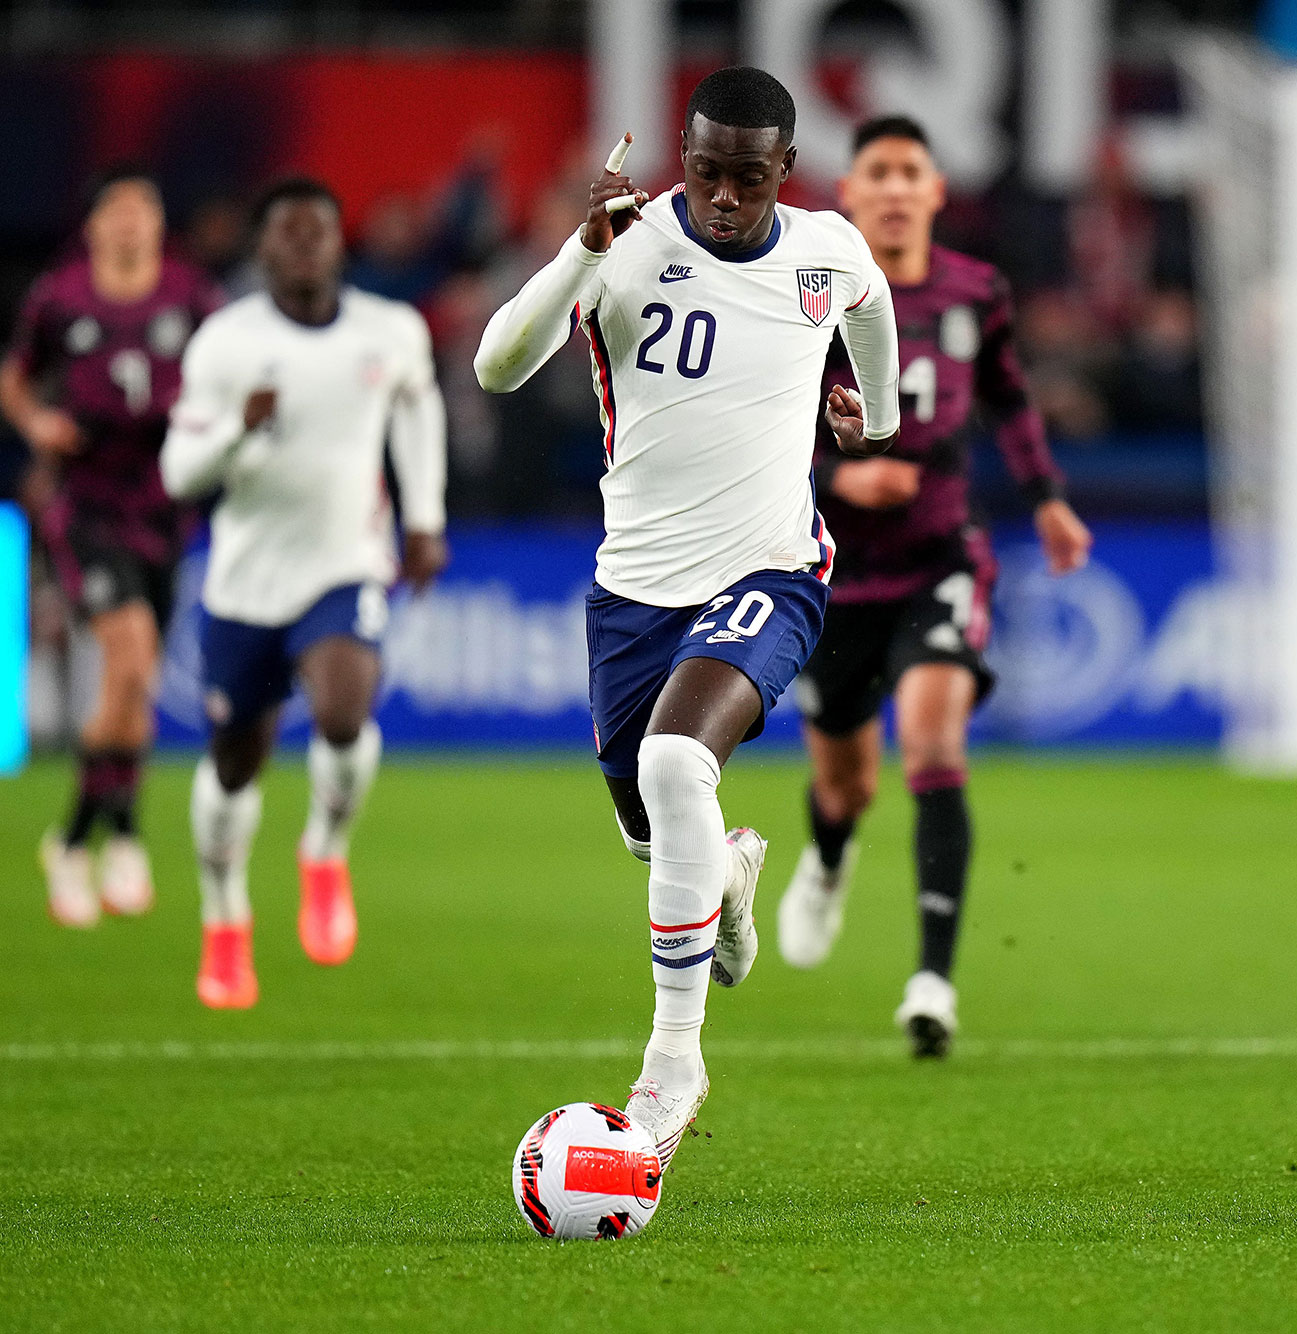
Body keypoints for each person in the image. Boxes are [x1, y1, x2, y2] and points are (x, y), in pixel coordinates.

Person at [474, 68, 901, 1163]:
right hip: (633, 591)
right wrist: (580, 246)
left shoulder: (825, 250)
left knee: (674, 765)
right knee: (649, 824)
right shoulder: (623, 244)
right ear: (681, 154)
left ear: (783, 173)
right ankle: (724, 877)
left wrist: (876, 416)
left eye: (747, 178)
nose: (722, 195)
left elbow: (872, 308)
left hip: (770, 568)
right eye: (705, 171)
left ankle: (672, 1062)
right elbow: (495, 364)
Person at [775, 115, 1092, 1058]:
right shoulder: (805, 290)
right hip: (830, 562)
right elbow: (760, 417)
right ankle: (829, 859)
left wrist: (1046, 500)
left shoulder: (974, 290)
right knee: (845, 781)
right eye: (881, 171)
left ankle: (932, 981)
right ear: (852, 194)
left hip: (941, 553)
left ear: (938, 190)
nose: (899, 187)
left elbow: (1007, 396)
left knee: (930, 737)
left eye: (915, 170)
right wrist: (839, 478)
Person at [161, 178, 449, 1009]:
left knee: (342, 711)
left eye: (318, 230)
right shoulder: (225, 342)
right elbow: (179, 472)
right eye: (286, 233)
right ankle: (225, 918)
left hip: (345, 565)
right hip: (245, 582)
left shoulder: (387, 332)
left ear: (338, 242)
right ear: (262, 250)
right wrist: (234, 430)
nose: (304, 245)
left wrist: (424, 520)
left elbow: (416, 410)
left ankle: (324, 850)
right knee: (234, 761)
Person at [1, 168, 224, 927]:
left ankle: (100, 833)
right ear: (95, 226)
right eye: (117, 211)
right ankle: (86, 841)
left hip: (164, 504)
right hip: (85, 502)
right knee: (126, 658)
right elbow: (14, 379)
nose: (130, 224)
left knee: (135, 685)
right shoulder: (60, 297)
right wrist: (36, 426)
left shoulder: (191, 297)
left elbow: (230, 371)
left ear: (159, 227)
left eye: (144, 211)